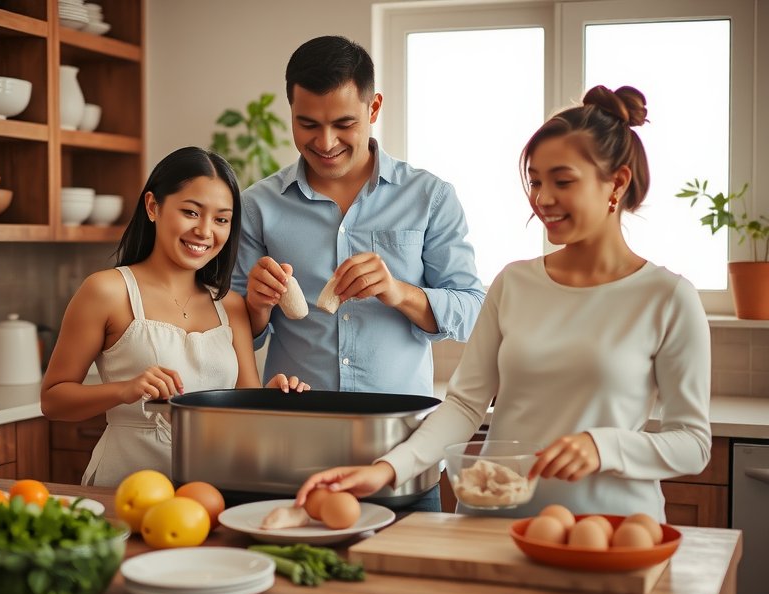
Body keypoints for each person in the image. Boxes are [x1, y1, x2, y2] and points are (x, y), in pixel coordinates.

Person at [296, 86, 712, 522]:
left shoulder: (667, 297)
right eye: (535, 181)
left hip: (612, 530)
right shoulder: (514, 282)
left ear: (618, 183)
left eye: (563, 181)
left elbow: (692, 443)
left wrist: (602, 446)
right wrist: (386, 470)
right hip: (498, 521)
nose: (542, 199)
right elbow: (464, 406)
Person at [232, 35, 485, 398]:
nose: (326, 142)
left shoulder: (431, 197)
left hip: (400, 433)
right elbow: (236, 333)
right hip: (296, 425)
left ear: (374, 108)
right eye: (308, 124)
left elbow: (471, 310)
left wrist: (398, 292)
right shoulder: (257, 206)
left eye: (343, 123)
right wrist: (256, 306)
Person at [41, 147, 309, 488]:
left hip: (211, 491)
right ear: (153, 207)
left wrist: (271, 400)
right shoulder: (107, 291)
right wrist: (124, 390)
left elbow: (244, 414)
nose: (205, 231)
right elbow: (53, 401)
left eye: (221, 219)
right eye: (191, 212)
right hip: (125, 488)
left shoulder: (231, 306)